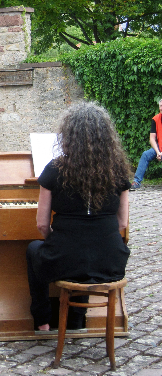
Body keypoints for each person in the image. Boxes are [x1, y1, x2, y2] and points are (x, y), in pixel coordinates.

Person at [26, 102, 131, 332]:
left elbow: (42, 224)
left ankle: (43, 322)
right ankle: (76, 322)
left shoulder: (55, 169)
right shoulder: (119, 171)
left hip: (67, 260)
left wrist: (62, 239)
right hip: (110, 262)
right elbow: (123, 223)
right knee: (86, 254)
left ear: (69, 136)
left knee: (35, 250)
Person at [131, 98, 162, 190]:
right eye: (161, 106)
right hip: (159, 149)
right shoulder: (155, 119)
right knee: (145, 155)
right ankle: (136, 181)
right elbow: (152, 139)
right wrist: (158, 152)